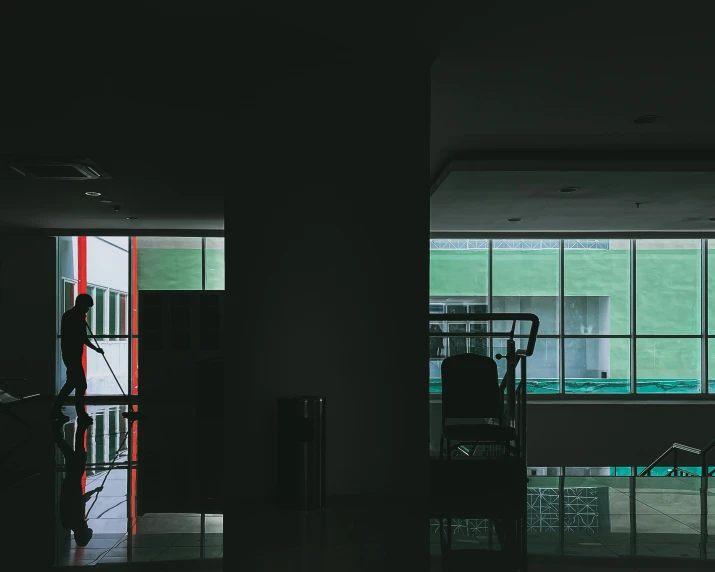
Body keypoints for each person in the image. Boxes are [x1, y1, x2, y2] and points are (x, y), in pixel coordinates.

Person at [50, 293, 104, 424]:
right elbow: (80, 338)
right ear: (81, 304)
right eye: (87, 307)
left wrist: (96, 349)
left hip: (72, 356)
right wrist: (95, 348)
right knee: (80, 385)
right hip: (72, 356)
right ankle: (80, 414)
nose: (88, 310)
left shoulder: (72, 316)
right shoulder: (73, 317)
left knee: (71, 384)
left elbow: (82, 338)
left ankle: (56, 410)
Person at [51, 416, 102, 547]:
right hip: (70, 483)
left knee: (77, 454)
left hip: (73, 482)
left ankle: (79, 427)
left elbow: (80, 500)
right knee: (70, 452)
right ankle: (73, 428)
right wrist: (93, 491)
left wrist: (94, 491)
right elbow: (78, 500)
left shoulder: (77, 521)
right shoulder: (69, 523)